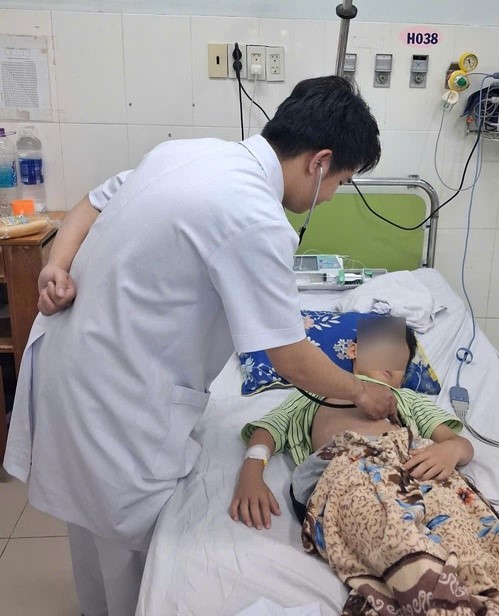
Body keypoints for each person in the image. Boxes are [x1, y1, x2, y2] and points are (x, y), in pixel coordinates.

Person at [3, 76, 397, 616]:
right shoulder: (255, 218)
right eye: (340, 183)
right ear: (320, 162)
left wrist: (57, 263)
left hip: (71, 362)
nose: (328, 197)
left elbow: (91, 203)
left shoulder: (186, 153)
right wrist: (362, 392)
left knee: (89, 535)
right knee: (131, 558)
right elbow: (289, 357)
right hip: (116, 398)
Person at [230, 322, 473, 530]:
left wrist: (450, 451)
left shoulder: (407, 398)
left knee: (465, 522)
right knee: (384, 530)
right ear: (353, 351)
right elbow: (268, 430)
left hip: (409, 470)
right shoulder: (315, 390)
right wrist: (251, 474)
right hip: (345, 471)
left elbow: (458, 443)